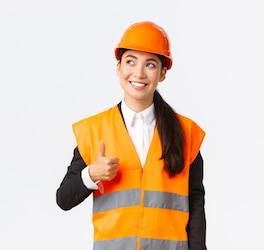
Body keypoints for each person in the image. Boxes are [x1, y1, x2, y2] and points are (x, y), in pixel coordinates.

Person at [56, 20, 207, 250]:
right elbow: (64, 199)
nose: (138, 73)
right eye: (130, 61)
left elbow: (195, 206)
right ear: (118, 67)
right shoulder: (94, 131)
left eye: (150, 64)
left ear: (163, 73)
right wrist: (91, 174)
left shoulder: (186, 133)